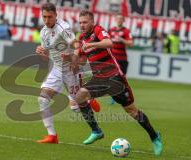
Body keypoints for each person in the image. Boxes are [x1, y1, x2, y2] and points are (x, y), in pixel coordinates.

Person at [71, 10, 162, 156]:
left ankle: (154, 136)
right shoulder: (81, 38)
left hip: (115, 78)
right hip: (99, 78)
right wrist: (72, 57)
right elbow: (78, 59)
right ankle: (96, 131)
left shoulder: (98, 30)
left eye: (85, 22)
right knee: (80, 96)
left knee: (132, 111)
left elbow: (109, 42)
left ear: (92, 22)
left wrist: (92, 44)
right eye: (80, 22)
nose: (82, 25)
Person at [35, 3, 100, 144]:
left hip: (71, 69)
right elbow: (47, 54)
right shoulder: (43, 32)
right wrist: (41, 51)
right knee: (42, 98)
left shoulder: (63, 28)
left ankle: (88, 98)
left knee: (76, 108)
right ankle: (52, 136)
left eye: (49, 17)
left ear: (56, 15)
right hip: (57, 68)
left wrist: (73, 55)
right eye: (44, 17)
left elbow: (76, 44)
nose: (46, 20)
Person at [108, 14, 133, 104]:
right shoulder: (111, 30)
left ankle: (126, 95)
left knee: (122, 79)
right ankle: (114, 96)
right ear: (115, 19)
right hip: (113, 59)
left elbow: (131, 43)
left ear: (123, 21)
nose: (119, 20)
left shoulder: (126, 31)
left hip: (122, 59)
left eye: (121, 19)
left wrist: (121, 40)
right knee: (112, 77)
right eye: (118, 18)